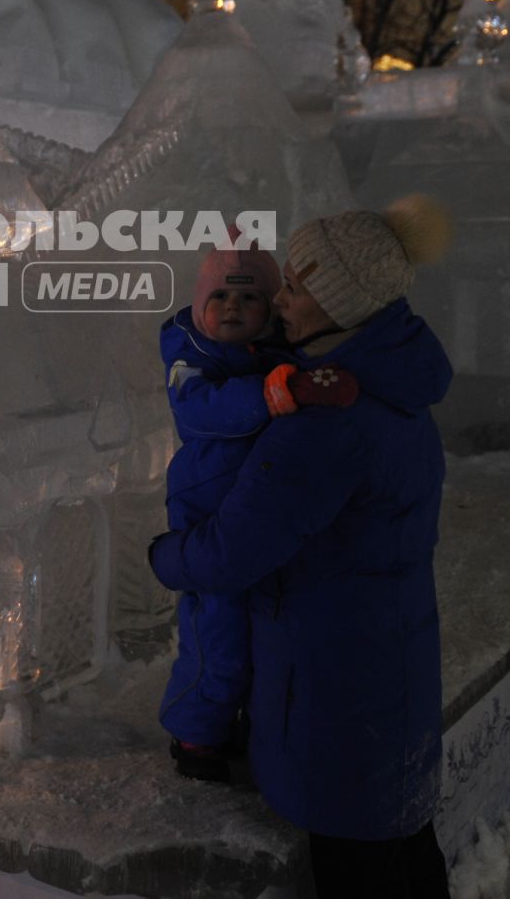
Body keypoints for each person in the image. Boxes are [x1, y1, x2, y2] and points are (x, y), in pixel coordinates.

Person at [148, 197, 454, 898]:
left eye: (294, 287)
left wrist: (162, 555)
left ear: (338, 301)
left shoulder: (326, 422)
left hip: (332, 691)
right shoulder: (395, 383)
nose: (278, 301)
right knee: (406, 854)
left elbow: (232, 550)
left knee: (360, 870)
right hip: (391, 667)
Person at [159, 241, 357, 782]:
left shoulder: (282, 355)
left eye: (248, 298)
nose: (231, 307)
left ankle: (250, 721)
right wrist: (272, 393)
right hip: (208, 508)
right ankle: (196, 733)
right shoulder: (188, 357)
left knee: (266, 631)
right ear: (200, 304)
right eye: (219, 295)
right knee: (215, 631)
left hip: (262, 511)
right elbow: (202, 412)